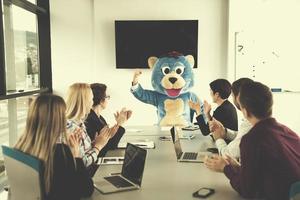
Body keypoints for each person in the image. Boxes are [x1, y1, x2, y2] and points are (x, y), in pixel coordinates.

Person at [204, 81, 300, 200]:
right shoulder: (288, 132)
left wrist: (225, 168)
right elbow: (266, 172)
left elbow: (247, 191)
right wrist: (238, 167)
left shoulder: (252, 140)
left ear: (245, 111)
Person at [14, 94, 94, 200]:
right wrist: (76, 155)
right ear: (58, 120)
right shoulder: (61, 152)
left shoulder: (19, 149)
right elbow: (86, 190)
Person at [65, 83, 117, 176]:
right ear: (84, 102)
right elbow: (82, 163)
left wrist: (94, 142)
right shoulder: (73, 128)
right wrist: (98, 146)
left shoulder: (79, 123)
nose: (92, 102)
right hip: (84, 177)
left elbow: (82, 150)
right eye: (90, 99)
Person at [208, 78, 253, 159]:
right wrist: (225, 132)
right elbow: (241, 135)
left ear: (239, 98)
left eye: (232, 95)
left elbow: (227, 155)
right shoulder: (250, 121)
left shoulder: (251, 124)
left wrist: (218, 138)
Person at [85, 83, 132, 157]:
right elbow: (110, 145)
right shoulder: (90, 120)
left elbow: (108, 137)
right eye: (107, 97)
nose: (108, 99)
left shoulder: (99, 117)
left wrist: (118, 124)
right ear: (101, 101)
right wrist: (119, 124)